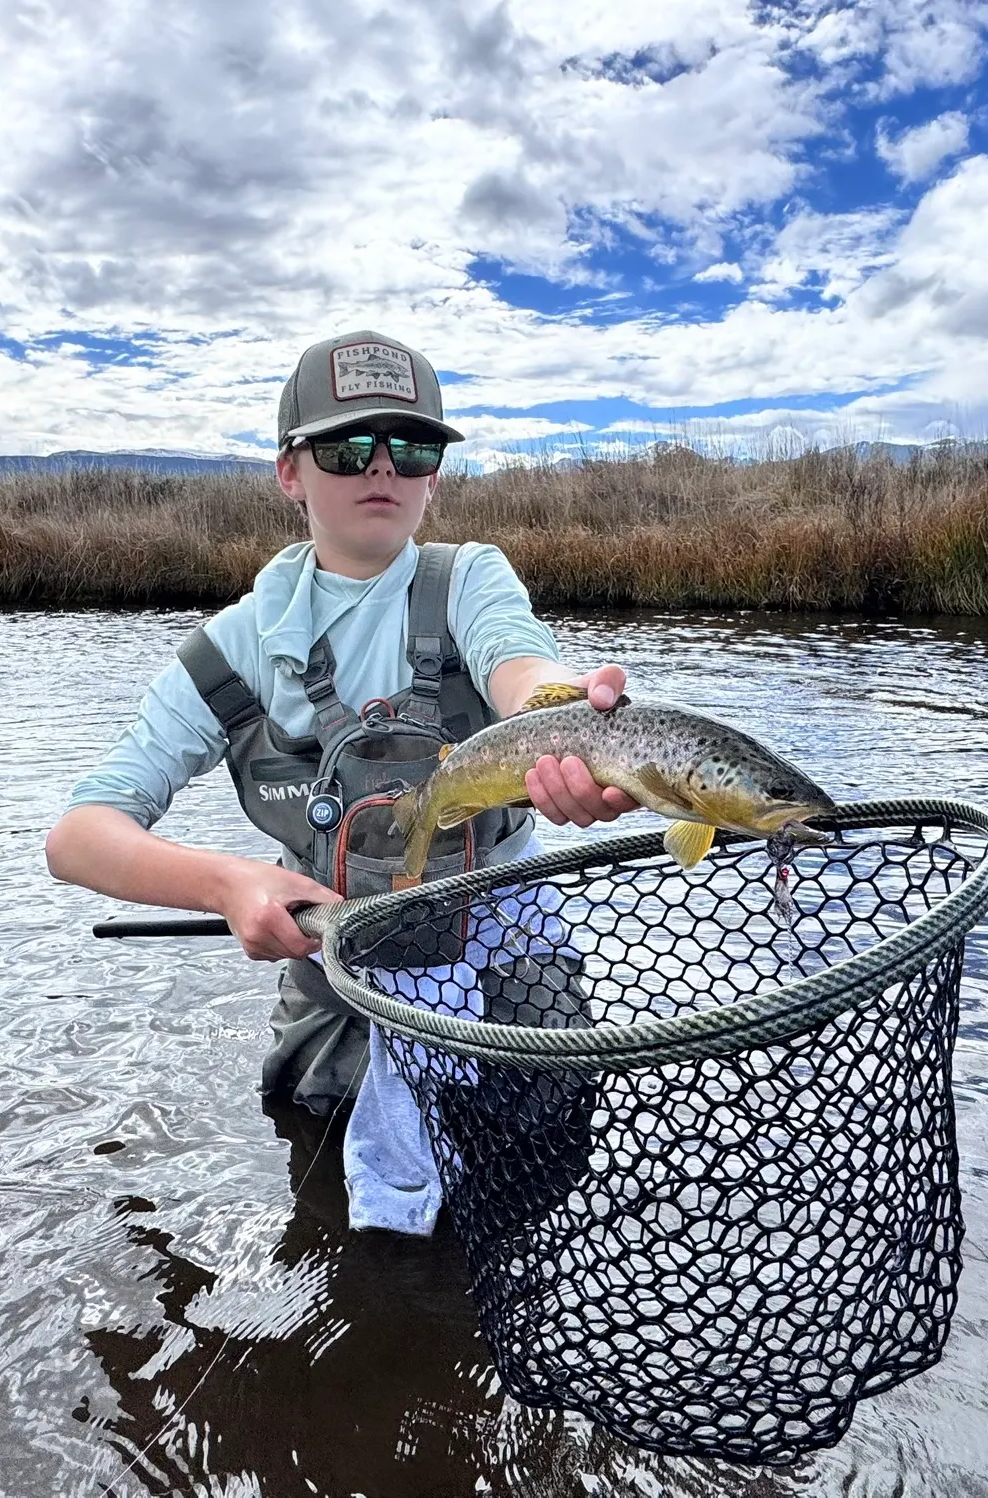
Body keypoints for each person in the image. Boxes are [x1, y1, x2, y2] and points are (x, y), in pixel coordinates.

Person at [46, 330, 638, 1233]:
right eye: (348, 447)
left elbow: (523, 670)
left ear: (435, 475)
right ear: (292, 473)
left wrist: (567, 718)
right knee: (324, 1181)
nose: (383, 471)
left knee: (533, 1175)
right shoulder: (228, 655)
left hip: (507, 959)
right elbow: (80, 835)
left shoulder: (471, 578)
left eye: (413, 447)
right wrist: (229, 883)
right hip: (336, 971)